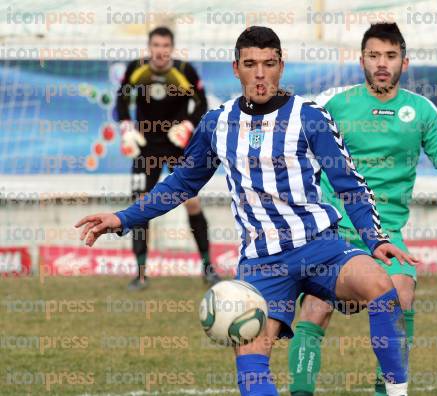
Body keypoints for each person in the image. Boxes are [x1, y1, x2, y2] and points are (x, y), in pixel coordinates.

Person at [77, 26, 413, 395]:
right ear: (235, 68)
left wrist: (375, 239)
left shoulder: (309, 116)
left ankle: (397, 392)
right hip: (263, 261)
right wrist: (123, 218)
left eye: (269, 64)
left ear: (281, 66)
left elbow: (349, 184)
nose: (260, 74)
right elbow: (182, 184)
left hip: (321, 246)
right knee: (250, 355)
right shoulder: (217, 123)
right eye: (250, 64)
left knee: (382, 287)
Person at [287, 22, 437, 396]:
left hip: (386, 233)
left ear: (404, 63)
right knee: (316, 306)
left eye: (390, 56)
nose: (382, 63)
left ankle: (388, 391)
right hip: (333, 228)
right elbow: (290, 137)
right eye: (374, 55)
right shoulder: (334, 102)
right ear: (361, 59)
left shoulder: (421, 111)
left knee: (402, 292)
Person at [115, 26, 219, 289]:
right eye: (156, 46)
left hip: (176, 145)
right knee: (139, 207)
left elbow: (202, 103)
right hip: (146, 146)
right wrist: (127, 127)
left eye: (165, 46)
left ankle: (208, 267)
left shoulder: (184, 71)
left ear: (171, 48)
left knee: (192, 203)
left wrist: (187, 125)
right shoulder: (137, 69)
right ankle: (140, 274)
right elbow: (121, 101)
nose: (160, 51)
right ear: (149, 47)